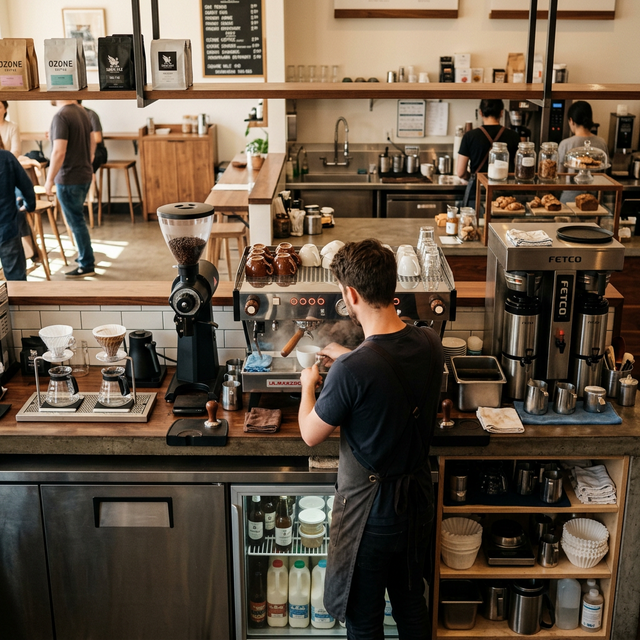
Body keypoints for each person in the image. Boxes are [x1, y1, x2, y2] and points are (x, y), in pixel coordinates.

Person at [298, 239, 444, 640]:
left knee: (365, 621)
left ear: (351, 295)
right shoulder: (431, 343)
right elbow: (386, 362)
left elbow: (310, 433)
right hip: (416, 504)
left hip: (370, 517)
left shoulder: (352, 371)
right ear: (393, 287)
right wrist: (348, 357)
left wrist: (308, 385)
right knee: (412, 608)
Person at [44, 100, 96, 278]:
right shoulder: (81, 112)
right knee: (78, 219)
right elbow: (92, 141)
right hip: (84, 174)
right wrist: (88, 162)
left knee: (76, 222)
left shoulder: (61, 115)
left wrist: (49, 179)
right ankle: (85, 257)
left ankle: (86, 263)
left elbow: (59, 151)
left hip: (69, 178)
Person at [456, 98, 521, 180]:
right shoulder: (513, 135)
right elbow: (519, 169)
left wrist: (472, 177)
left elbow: (460, 173)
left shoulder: (469, 136)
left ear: (480, 112)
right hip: (503, 188)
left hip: (477, 190)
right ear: (501, 113)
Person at [0, 149, 35, 280]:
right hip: (7, 226)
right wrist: (30, 205)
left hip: (6, 225)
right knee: (16, 278)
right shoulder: (6, 157)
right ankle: (18, 299)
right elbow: (26, 185)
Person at [558, 100, 608, 168]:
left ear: (571, 120)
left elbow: (560, 173)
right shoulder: (602, 142)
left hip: (573, 179)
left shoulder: (565, 144)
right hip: (597, 179)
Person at [77, 100, 108, 173]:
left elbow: (98, 139)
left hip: (98, 151)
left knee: (84, 161)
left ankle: (89, 180)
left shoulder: (90, 114)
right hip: (82, 151)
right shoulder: (69, 115)